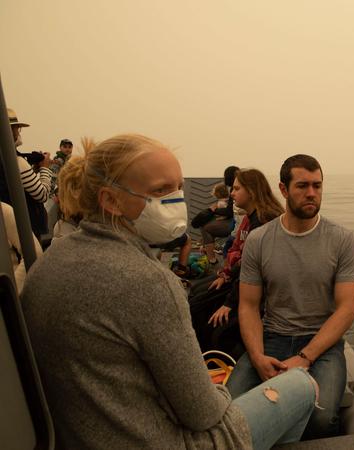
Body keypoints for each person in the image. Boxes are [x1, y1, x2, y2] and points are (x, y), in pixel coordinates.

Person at [21, 134, 318, 450]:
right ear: (110, 200)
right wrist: (217, 392)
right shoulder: (148, 281)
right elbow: (203, 414)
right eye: (160, 191)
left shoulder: (50, 260)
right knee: (300, 384)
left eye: (177, 187)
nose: (177, 199)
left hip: (87, 432)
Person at [226, 154, 354, 439]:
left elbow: (346, 309)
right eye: (302, 186)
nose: (311, 193)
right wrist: (257, 356)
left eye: (317, 185)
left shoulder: (342, 239)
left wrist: (305, 357)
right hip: (272, 337)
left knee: (321, 418)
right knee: (229, 410)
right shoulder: (259, 240)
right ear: (284, 190)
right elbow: (248, 306)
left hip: (322, 345)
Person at [191, 168, 284, 355]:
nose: (232, 194)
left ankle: (210, 358)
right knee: (197, 291)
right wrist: (225, 275)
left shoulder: (263, 221)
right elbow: (244, 261)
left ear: (251, 191)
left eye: (236, 189)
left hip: (260, 291)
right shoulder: (252, 218)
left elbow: (252, 269)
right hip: (244, 280)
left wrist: (228, 303)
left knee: (201, 311)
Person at [8, 108, 52, 238]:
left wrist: (32, 172)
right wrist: (45, 168)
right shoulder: (17, 161)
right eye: (17, 128)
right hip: (26, 231)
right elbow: (42, 194)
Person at [200, 166, 237, 264]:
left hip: (234, 222)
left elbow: (230, 211)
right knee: (208, 223)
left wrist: (214, 210)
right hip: (234, 220)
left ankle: (212, 259)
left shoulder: (234, 189)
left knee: (205, 228)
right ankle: (207, 250)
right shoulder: (237, 187)